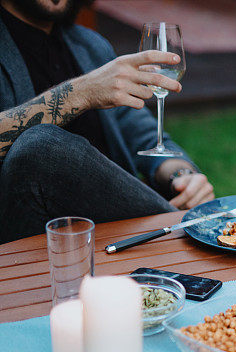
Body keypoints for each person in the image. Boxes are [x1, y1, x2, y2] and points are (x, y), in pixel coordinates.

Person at [0, 0, 215, 244]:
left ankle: (180, 231)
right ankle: (184, 233)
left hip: (111, 232)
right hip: (28, 233)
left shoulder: (90, 46)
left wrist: (182, 176)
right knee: (40, 149)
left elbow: (144, 136)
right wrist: (80, 93)